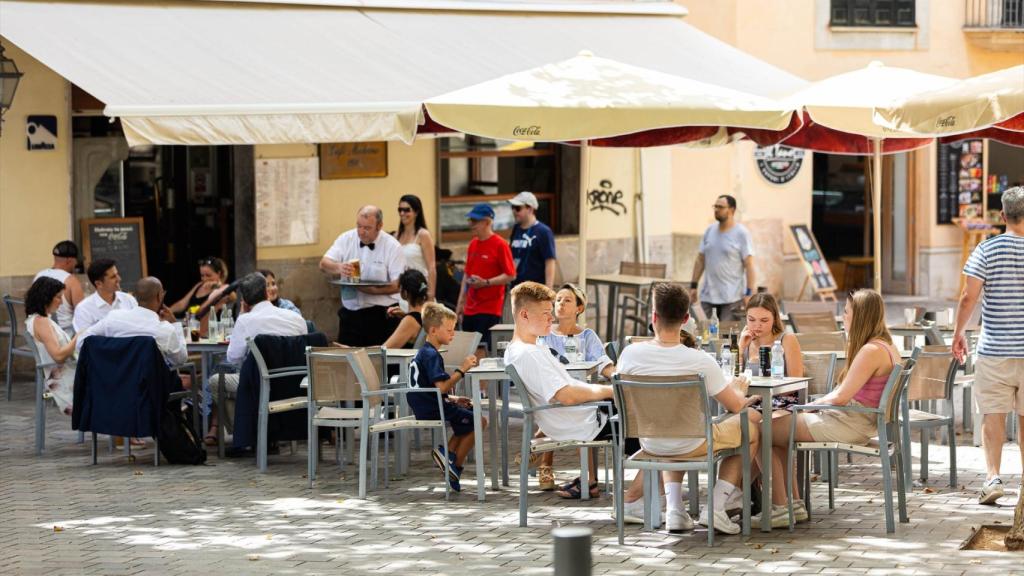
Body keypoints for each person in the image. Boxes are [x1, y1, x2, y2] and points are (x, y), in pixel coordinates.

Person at [616, 282, 760, 534]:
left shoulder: (629, 355)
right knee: (750, 427)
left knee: (674, 425)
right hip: (691, 442)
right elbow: (735, 405)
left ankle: (675, 510)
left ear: (653, 317)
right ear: (685, 318)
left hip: (650, 442)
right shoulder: (699, 360)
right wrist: (738, 387)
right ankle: (716, 506)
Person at [769, 289, 900, 527]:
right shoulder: (886, 346)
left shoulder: (871, 350)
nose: (843, 317)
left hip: (850, 423)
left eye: (847, 312)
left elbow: (840, 397)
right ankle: (792, 504)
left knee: (762, 429)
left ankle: (780, 507)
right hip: (856, 421)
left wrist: (807, 407)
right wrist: (812, 407)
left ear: (860, 316)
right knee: (778, 431)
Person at [504, 281, 615, 500]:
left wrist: (608, 390)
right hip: (586, 420)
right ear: (524, 315)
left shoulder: (529, 348)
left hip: (587, 415)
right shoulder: (529, 354)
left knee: (656, 425)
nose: (551, 317)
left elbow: (571, 388)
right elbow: (567, 395)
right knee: (658, 434)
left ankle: (601, 485)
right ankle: (646, 498)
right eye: (546, 313)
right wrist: (610, 392)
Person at [953, 186, 1024, 505]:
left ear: (1002, 216)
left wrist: (959, 333)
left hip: (994, 348)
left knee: (992, 414)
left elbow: (969, 297)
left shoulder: (986, 249)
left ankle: (993, 477)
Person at [214, 273, 308, 443]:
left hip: (262, 383)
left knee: (216, 381)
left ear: (245, 300)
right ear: (266, 292)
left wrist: (242, 315)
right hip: (296, 383)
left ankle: (246, 434)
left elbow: (233, 357)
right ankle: (267, 432)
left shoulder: (246, 321)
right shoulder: (296, 319)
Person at [408, 303, 481, 492]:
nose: (453, 333)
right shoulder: (431, 354)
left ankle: (447, 455)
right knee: (480, 421)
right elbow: (441, 387)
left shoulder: (426, 352)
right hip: (431, 407)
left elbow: (432, 388)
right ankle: (453, 465)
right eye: (449, 329)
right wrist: (462, 369)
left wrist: (454, 399)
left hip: (427, 403)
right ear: (433, 330)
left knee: (470, 413)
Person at [320, 205, 405, 346]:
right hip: (350, 315)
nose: (361, 232)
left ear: (379, 226)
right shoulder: (346, 238)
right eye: (359, 226)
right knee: (348, 362)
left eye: (367, 228)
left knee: (380, 364)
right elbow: (323, 263)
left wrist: (374, 291)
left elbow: (398, 284)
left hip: (382, 315)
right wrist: (339, 267)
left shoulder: (392, 246)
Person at [76, 277, 188, 368]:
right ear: (160, 296)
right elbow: (181, 360)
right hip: (150, 391)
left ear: (134, 296)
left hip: (114, 387)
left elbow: (81, 341)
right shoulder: (164, 330)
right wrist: (174, 324)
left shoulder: (114, 318)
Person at [457, 203, 515, 352]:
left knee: (481, 348)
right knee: (468, 350)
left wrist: (486, 283)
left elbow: (511, 274)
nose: (471, 224)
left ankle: (479, 376)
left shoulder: (500, 245)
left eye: (475, 221)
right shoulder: (473, 244)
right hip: (470, 306)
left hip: (490, 307)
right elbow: (466, 275)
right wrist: (460, 304)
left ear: (488, 222)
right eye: (470, 220)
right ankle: (471, 375)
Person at [689, 195, 756, 322]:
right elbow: (700, 259)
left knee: (727, 338)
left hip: (731, 298)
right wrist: (693, 286)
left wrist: (749, 293)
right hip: (708, 297)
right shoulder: (709, 230)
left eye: (720, 207)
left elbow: (749, 265)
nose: (716, 210)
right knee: (704, 335)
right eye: (715, 206)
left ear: (732, 210)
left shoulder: (741, 233)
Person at [24, 277, 78, 415]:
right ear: (46, 298)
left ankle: (121, 434)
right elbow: (58, 356)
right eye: (58, 297)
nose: (61, 302)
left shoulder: (39, 319)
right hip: (65, 381)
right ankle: (122, 434)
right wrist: (78, 337)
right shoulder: (41, 322)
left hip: (68, 374)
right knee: (115, 383)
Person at [72, 259, 138, 335]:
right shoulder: (84, 309)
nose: (119, 279)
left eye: (117, 274)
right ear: (99, 283)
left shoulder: (129, 300)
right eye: (113, 277)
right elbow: (85, 340)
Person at [33, 240, 85, 336]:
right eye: (76, 261)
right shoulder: (71, 281)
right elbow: (83, 313)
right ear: (69, 261)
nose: (76, 264)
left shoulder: (38, 276)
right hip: (65, 335)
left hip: (40, 333)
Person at [393, 194, 437, 300]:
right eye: (400, 209)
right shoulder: (395, 236)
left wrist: (430, 295)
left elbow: (431, 267)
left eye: (407, 210)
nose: (402, 213)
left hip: (419, 291)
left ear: (416, 212)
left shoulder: (423, 235)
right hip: (400, 292)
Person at [508, 191, 556, 288]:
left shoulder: (544, 232)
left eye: (518, 208)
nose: (514, 211)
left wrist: (548, 290)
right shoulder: (516, 228)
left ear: (530, 209)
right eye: (512, 207)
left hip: (535, 290)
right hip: (516, 288)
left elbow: (550, 262)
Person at [384, 269, 430, 350]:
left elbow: (385, 350)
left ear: (405, 293)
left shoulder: (410, 321)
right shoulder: (427, 314)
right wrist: (405, 315)